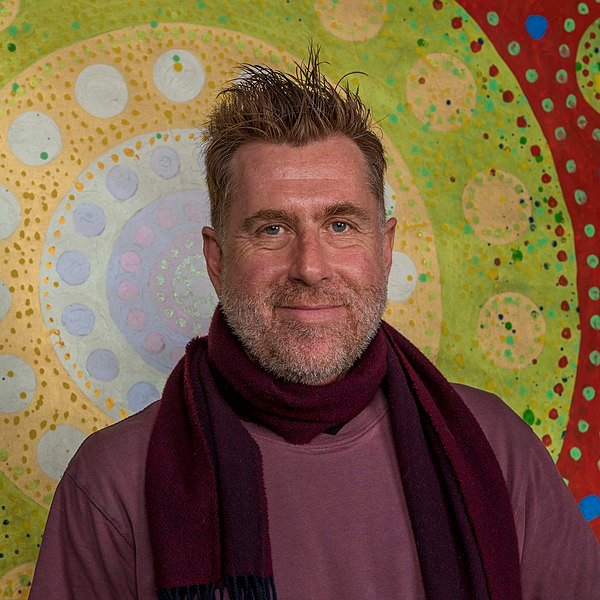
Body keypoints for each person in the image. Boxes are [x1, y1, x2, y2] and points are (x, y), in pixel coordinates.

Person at [30, 47, 599, 600]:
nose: (309, 267)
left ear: (385, 248)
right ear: (216, 260)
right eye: (272, 229)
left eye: (341, 226)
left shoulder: (496, 448)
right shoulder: (112, 484)